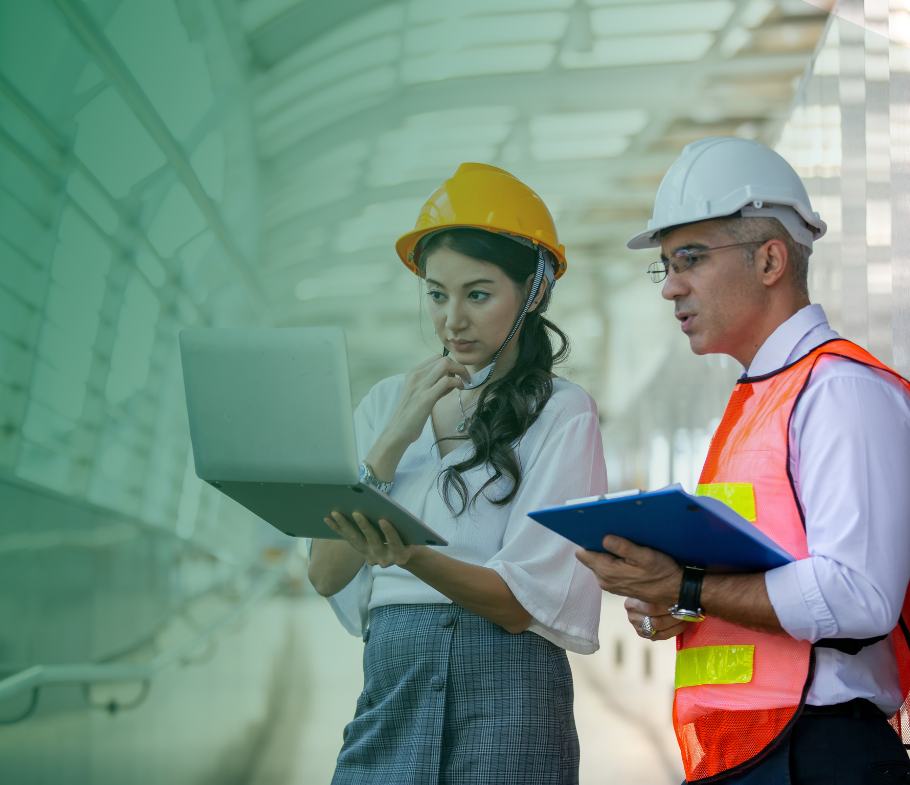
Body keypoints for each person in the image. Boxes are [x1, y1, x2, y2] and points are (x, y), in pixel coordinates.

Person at [577, 137, 910, 784]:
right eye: (667, 265)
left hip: (819, 752)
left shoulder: (840, 390)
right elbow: (764, 572)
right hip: (753, 751)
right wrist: (680, 603)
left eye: (691, 258)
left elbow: (860, 595)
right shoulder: (761, 399)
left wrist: (688, 587)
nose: (671, 286)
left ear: (770, 259)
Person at [307, 162, 608, 785]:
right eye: (437, 294)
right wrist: (395, 435)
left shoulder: (561, 413)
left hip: (511, 702)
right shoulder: (388, 401)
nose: (453, 320)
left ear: (534, 292)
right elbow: (324, 569)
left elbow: (523, 602)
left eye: (478, 293)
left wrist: (406, 553)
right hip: (392, 691)